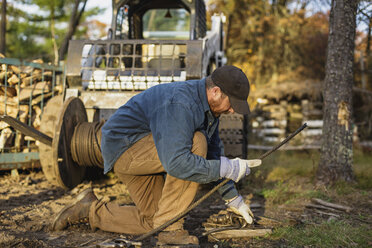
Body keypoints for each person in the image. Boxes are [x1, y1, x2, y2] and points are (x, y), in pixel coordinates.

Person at [52, 65, 261, 245]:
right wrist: (227, 168)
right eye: (232, 104)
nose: (233, 111)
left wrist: (234, 199)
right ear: (215, 92)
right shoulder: (182, 103)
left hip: (146, 153)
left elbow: (215, 154)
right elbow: (177, 163)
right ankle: (171, 232)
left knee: (158, 221)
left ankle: (90, 211)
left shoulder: (210, 111)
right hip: (126, 149)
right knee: (196, 143)